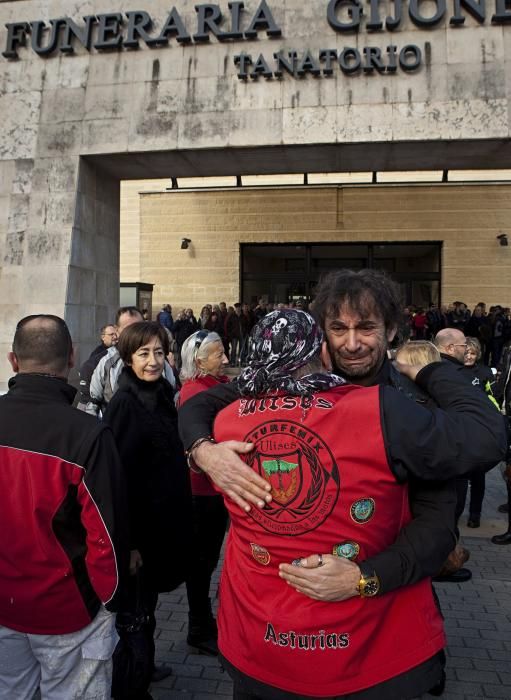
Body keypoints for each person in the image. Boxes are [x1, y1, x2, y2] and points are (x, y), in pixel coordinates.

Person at [186, 308, 506, 699]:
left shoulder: (224, 423)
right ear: (322, 351)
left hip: (257, 641)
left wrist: (200, 449)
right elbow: (488, 436)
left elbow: (196, 403)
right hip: (367, 653)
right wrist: (429, 369)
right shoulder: (377, 409)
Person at [0, 315, 128, 699]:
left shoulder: (87, 435)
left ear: (13, 361)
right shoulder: (87, 434)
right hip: (69, 611)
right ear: (71, 358)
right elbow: (107, 536)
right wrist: (110, 602)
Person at [103, 322, 192, 693]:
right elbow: (117, 480)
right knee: (134, 620)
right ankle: (132, 687)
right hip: (139, 537)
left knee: (148, 611)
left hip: (161, 529)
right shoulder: (125, 404)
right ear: (127, 358)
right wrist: (130, 544)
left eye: (158, 352)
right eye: (143, 354)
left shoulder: (161, 393)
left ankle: (146, 667)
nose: (153, 361)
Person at [178, 330, 230, 655]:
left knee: (207, 561)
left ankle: (203, 621)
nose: (225, 358)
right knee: (201, 564)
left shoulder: (215, 385)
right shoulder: (195, 391)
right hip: (202, 494)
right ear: (199, 360)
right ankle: (198, 625)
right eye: (218, 353)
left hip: (213, 492)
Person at [84, 307, 176, 417]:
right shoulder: (104, 362)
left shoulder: (162, 365)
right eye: (128, 329)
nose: (135, 334)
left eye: (139, 327)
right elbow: (91, 404)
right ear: (117, 331)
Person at [77, 323, 118, 410]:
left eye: (116, 334)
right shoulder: (99, 354)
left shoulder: (115, 352)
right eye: (111, 334)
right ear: (103, 337)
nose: (115, 337)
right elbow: (85, 371)